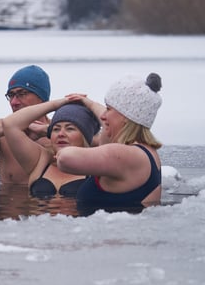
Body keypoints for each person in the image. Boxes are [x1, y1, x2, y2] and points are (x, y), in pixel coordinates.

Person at [57, 73, 164, 214]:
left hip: (113, 235)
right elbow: (111, 122)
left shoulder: (125, 155)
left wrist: (59, 149)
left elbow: (64, 159)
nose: (103, 116)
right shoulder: (147, 152)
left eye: (108, 108)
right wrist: (89, 103)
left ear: (126, 116)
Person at [2, 99, 101, 198]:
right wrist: (54, 105)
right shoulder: (41, 160)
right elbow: (9, 124)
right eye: (56, 129)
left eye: (70, 128)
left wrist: (91, 105)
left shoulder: (98, 166)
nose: (61, 134)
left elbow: (115, 133)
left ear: (84, 136)